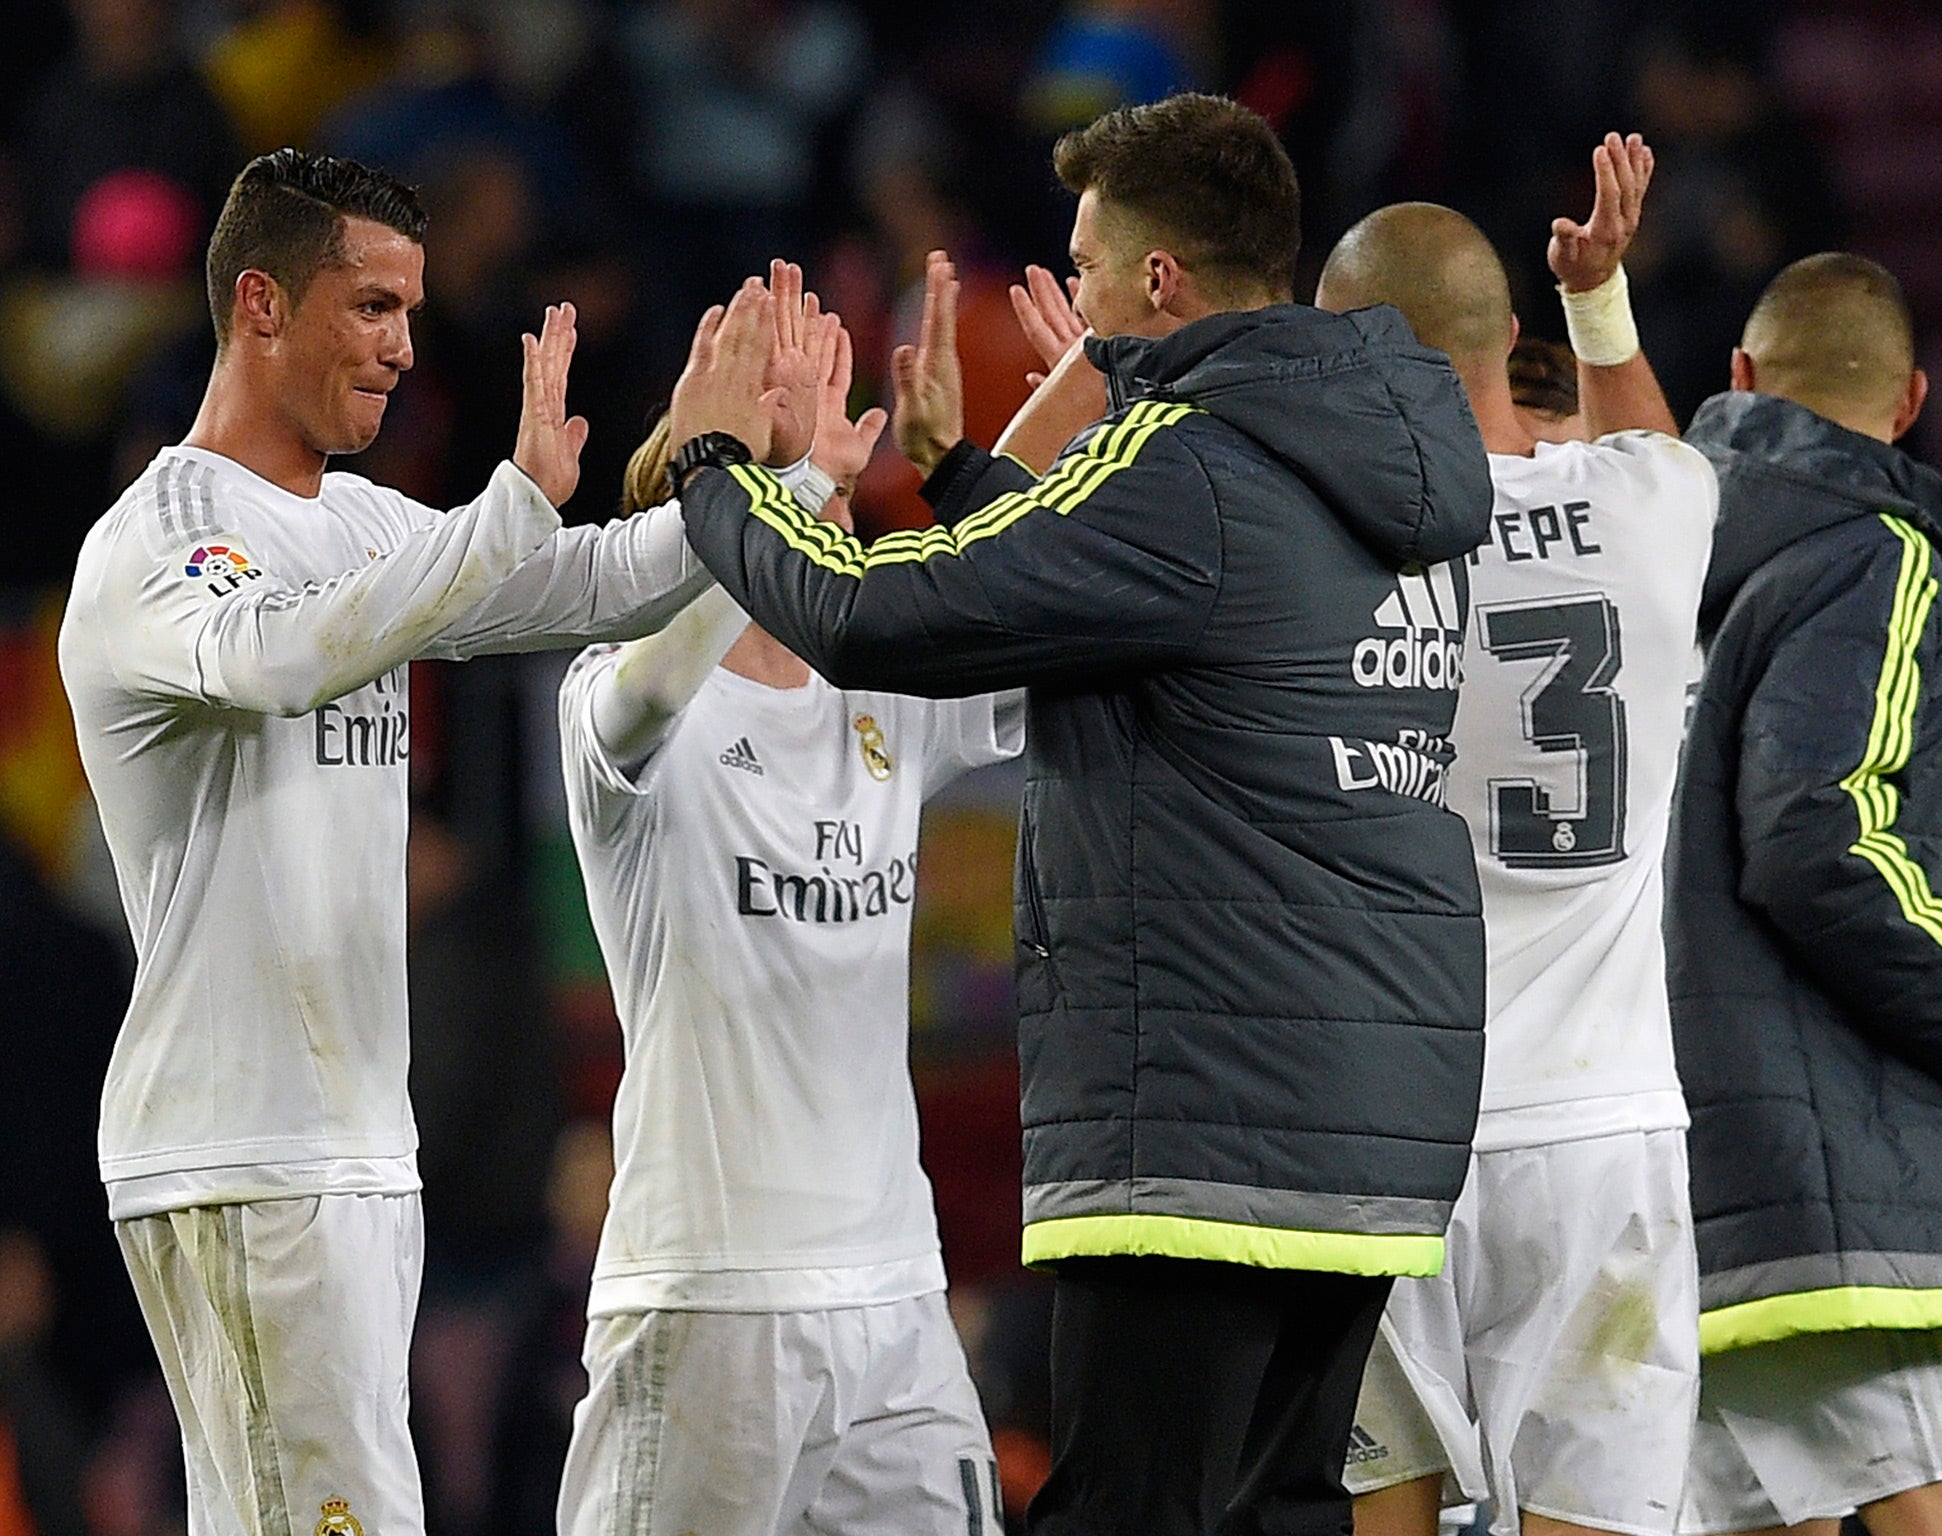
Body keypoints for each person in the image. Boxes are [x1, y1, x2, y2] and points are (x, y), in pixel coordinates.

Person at [667, 92, 1495, 1534]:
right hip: (1373, 1119)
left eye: (1090, 262)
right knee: (1284, 1510)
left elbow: (872, 611)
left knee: (1124, 1512)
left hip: (1204, 1108)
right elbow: (1179, 602)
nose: (1087, 297)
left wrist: (718, 478)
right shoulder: (1390, 470)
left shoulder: (1177, 456)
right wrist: (972, 478)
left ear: (1159, 281)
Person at [57, 149, 711, 1536]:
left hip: (351, 1140)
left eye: (412, 313)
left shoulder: (358, 520)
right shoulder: (162, 536)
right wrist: (504, 516)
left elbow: (583, 587)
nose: (405, 349)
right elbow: (276, 657)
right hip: (239, 1144)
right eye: (370, 308)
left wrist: (748, 490)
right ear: (260, 304)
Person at [552, 267, 1024, 1536]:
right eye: (771, 482)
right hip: (707, 1294)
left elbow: (1017, 594)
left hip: (895, 1301)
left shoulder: (877, 694)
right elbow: (660, 679)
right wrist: (786, 482)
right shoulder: (617, 702)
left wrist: (1073, 383)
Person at [1317, 135, 1715, 1536]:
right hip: (1603, 1134)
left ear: (1361, 361)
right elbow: (1651, 442)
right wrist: (1598, 300)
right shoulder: (1658, 511)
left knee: (1386, 1512)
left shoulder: (1327, 558)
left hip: (1385, 1131)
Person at [1671, 251, 1942, 1536]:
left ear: (1736, 379)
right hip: (1833, 1175)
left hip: (1669, 1166)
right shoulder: (1876, 556)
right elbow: (1822, 829)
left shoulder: (1647, 547)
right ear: (1908, 405)